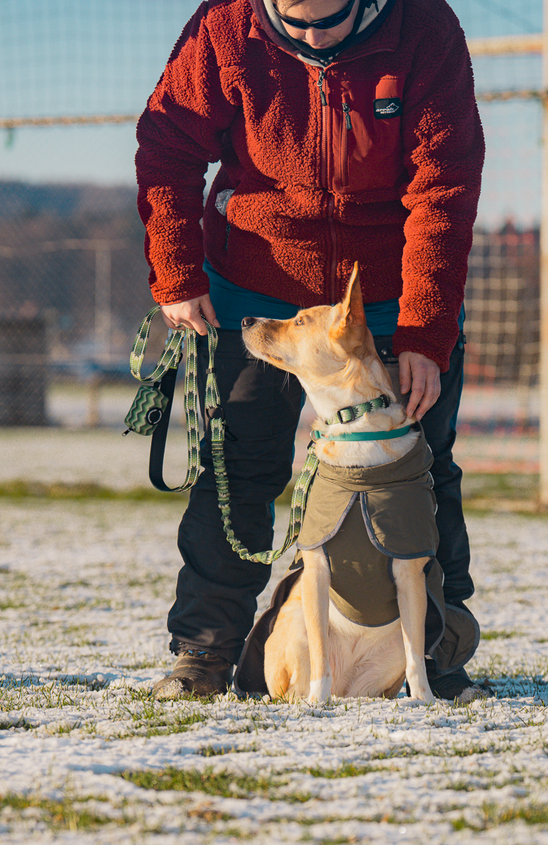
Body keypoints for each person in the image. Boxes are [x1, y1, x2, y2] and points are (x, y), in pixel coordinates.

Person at [135, 0, 489, 701]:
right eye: (293, 24)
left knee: (421, 471)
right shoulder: (224, 26)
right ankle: (204, 654)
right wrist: (176, 272)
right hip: (255, 288)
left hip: (384, 295)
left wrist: (424, 332)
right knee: (234, 467)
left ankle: (437, 653)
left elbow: (444, 184)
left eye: (327, 22)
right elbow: (167, 145)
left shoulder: (424, 28)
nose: (311, 37)